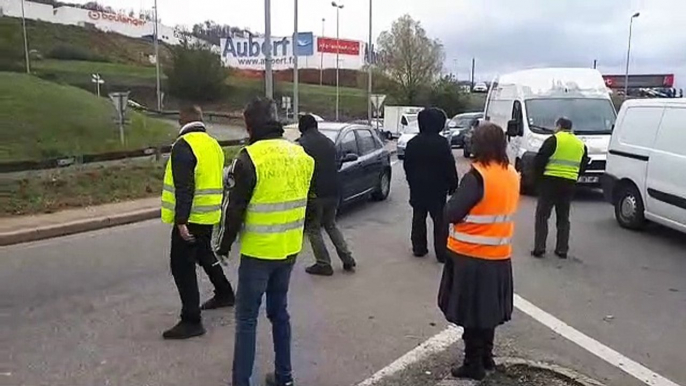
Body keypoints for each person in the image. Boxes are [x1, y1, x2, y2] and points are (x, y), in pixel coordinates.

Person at [215, 98, 314, 386]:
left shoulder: (248, 158)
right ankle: (285, 377)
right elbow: (308, 201)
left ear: (249, 124)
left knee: (246, 319)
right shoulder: (301, 155)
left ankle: (241, 382)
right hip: (289, 249)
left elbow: (233, 210)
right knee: (279, 312)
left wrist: (222, 247)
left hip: (258, 251)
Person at [438, 122, 520, 381]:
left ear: (480, 145)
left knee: (471, 313)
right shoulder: (511, 173)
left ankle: (473, 363)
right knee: (487, 312)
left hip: (471, 256)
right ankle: (486, 357)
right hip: (499, 255)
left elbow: (452, 213)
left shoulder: (477, 176)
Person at [160, 105, 236, 340]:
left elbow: (185, 186)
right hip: (209, 214)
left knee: (181, 266)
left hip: (191, 218)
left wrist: (181, 221)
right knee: (204, 254)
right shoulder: (213, 145)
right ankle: (225, 293)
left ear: (182, 119)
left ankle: (191, 319)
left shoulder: (183, 146)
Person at [297, 114, 356, 276]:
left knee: (313, 228)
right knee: (331, 224)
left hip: (316, 194)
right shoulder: (329, 143)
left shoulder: (302, 145)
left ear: (301, 128)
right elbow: (336, 164)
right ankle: (347, 257)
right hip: (334, 191)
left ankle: (323, 263)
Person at [403, 108, 459, 263]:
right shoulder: (441, 144)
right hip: (437, 189)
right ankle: (442, 252)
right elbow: (449, 165)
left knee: (418, 217)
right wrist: (453, 184)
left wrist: (411, 181)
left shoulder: (412, 143)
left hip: (418, 187)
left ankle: (419, 247)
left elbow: (407, 165)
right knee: (440, 221)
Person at [531, 117, 589, 259]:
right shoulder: (580, 144)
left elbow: (539, 160)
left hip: (550, 181)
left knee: (542, 216)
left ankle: (539, 248)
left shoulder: (553, 140)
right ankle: (562, 249)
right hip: (569, 183)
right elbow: (583, 165)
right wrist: (574, 175)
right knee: (563, 217)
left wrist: (537, 180)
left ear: (559, 126)